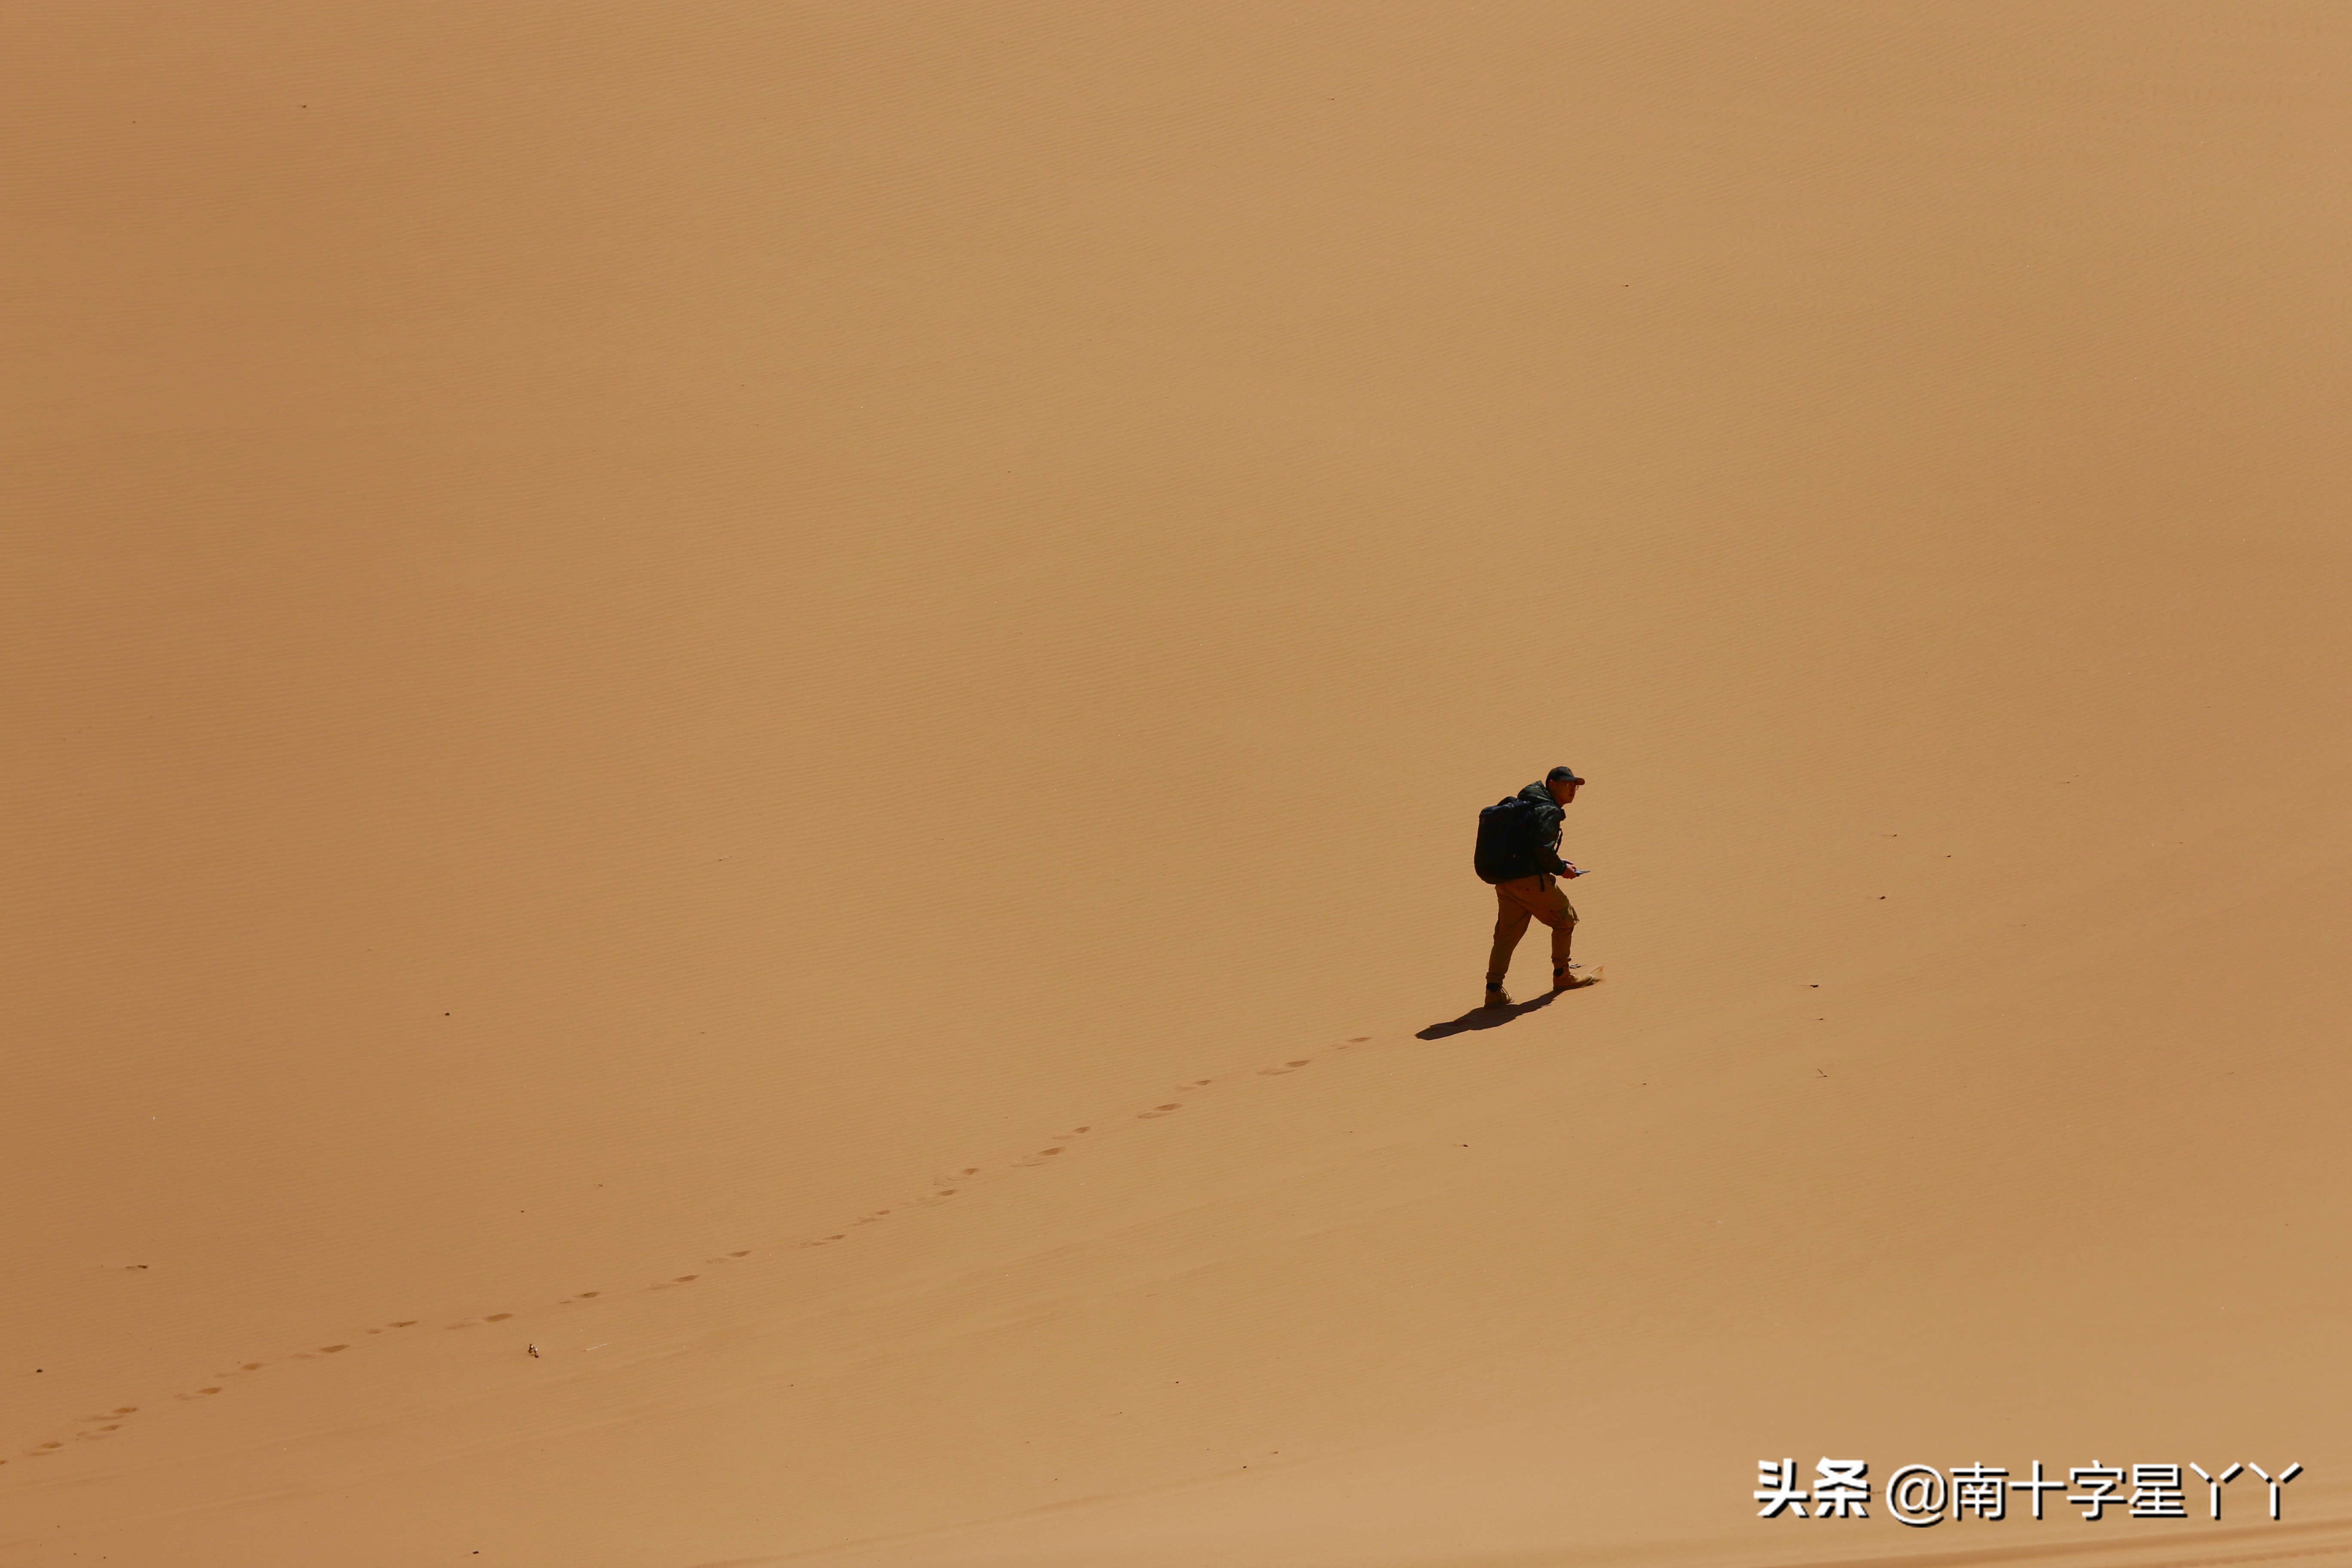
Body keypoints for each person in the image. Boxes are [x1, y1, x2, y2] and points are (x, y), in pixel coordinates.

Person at [1484, 766, 1589, 1007]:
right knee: (1566, 919)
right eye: (1568, 784)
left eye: (1576, 785)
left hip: (1506, 880)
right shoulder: (1548, 810)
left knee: (1506, 936)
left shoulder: (1527, 804)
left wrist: (1559, 862)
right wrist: (1562, 869)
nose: (1573, 788)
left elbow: (1532, 848)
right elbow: (1542, 850)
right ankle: (1563, 975)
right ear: (1552, 784)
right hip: (1530, 881)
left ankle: (1493, 990)